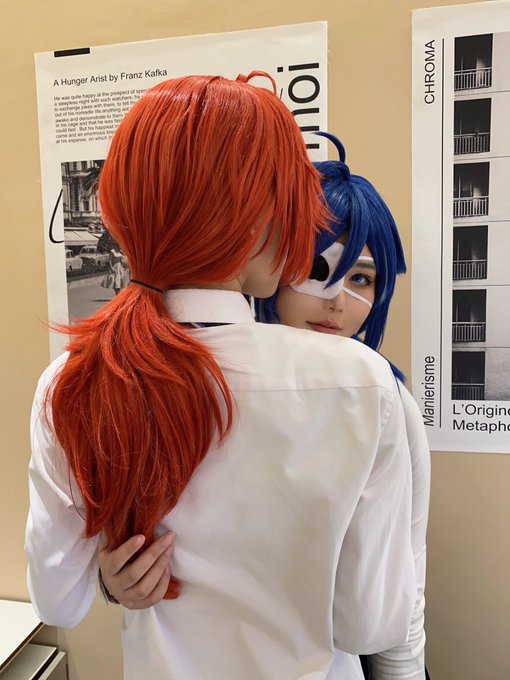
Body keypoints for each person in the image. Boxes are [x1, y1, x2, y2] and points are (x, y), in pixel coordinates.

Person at [26, 75, 416, 680]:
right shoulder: (361, 383)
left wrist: (110, 578)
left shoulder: (71, 382)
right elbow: (370, 628)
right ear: (260, 219)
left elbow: (58, 603)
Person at [257, 132, 431, 679]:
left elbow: (405, 562)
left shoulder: (388, 402)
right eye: (316, 267)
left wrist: (402, 673)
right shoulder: (216, 385)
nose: (336, 299)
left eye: (360, 278)